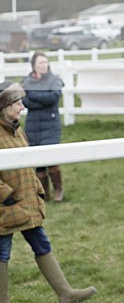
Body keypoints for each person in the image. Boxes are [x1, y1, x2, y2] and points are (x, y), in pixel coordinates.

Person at [0, 81, 97, 302]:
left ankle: (65, 293)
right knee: (2, 253)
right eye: (18, 103)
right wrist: (6, 195)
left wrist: (36, 187)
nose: (23, 107)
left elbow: (27, 163)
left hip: (26, 200)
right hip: (6, 205)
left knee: (41, 244)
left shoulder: (17, 129)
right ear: (5, 106)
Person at [20, 53, 66, 203]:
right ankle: (44, 193)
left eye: (45, 62)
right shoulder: (26, 81)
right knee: (38, 160)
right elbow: (25, 101)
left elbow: (53, 97)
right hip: (33, 125)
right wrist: (41, 99)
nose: (43, 65)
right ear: (34, 65)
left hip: (50, 124)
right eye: (40, 62)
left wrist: (32, 94)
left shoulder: (55, 80)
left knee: (51, 157)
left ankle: (58, 189)